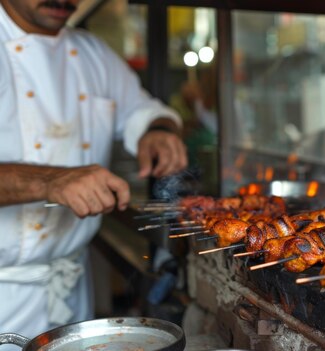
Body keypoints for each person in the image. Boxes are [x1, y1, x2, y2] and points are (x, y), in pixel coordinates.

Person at [0, 0, 188, 342]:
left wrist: (158, 130)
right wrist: (49, 180)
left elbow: (141, 109)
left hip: (71, 289)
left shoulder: (92, 54)